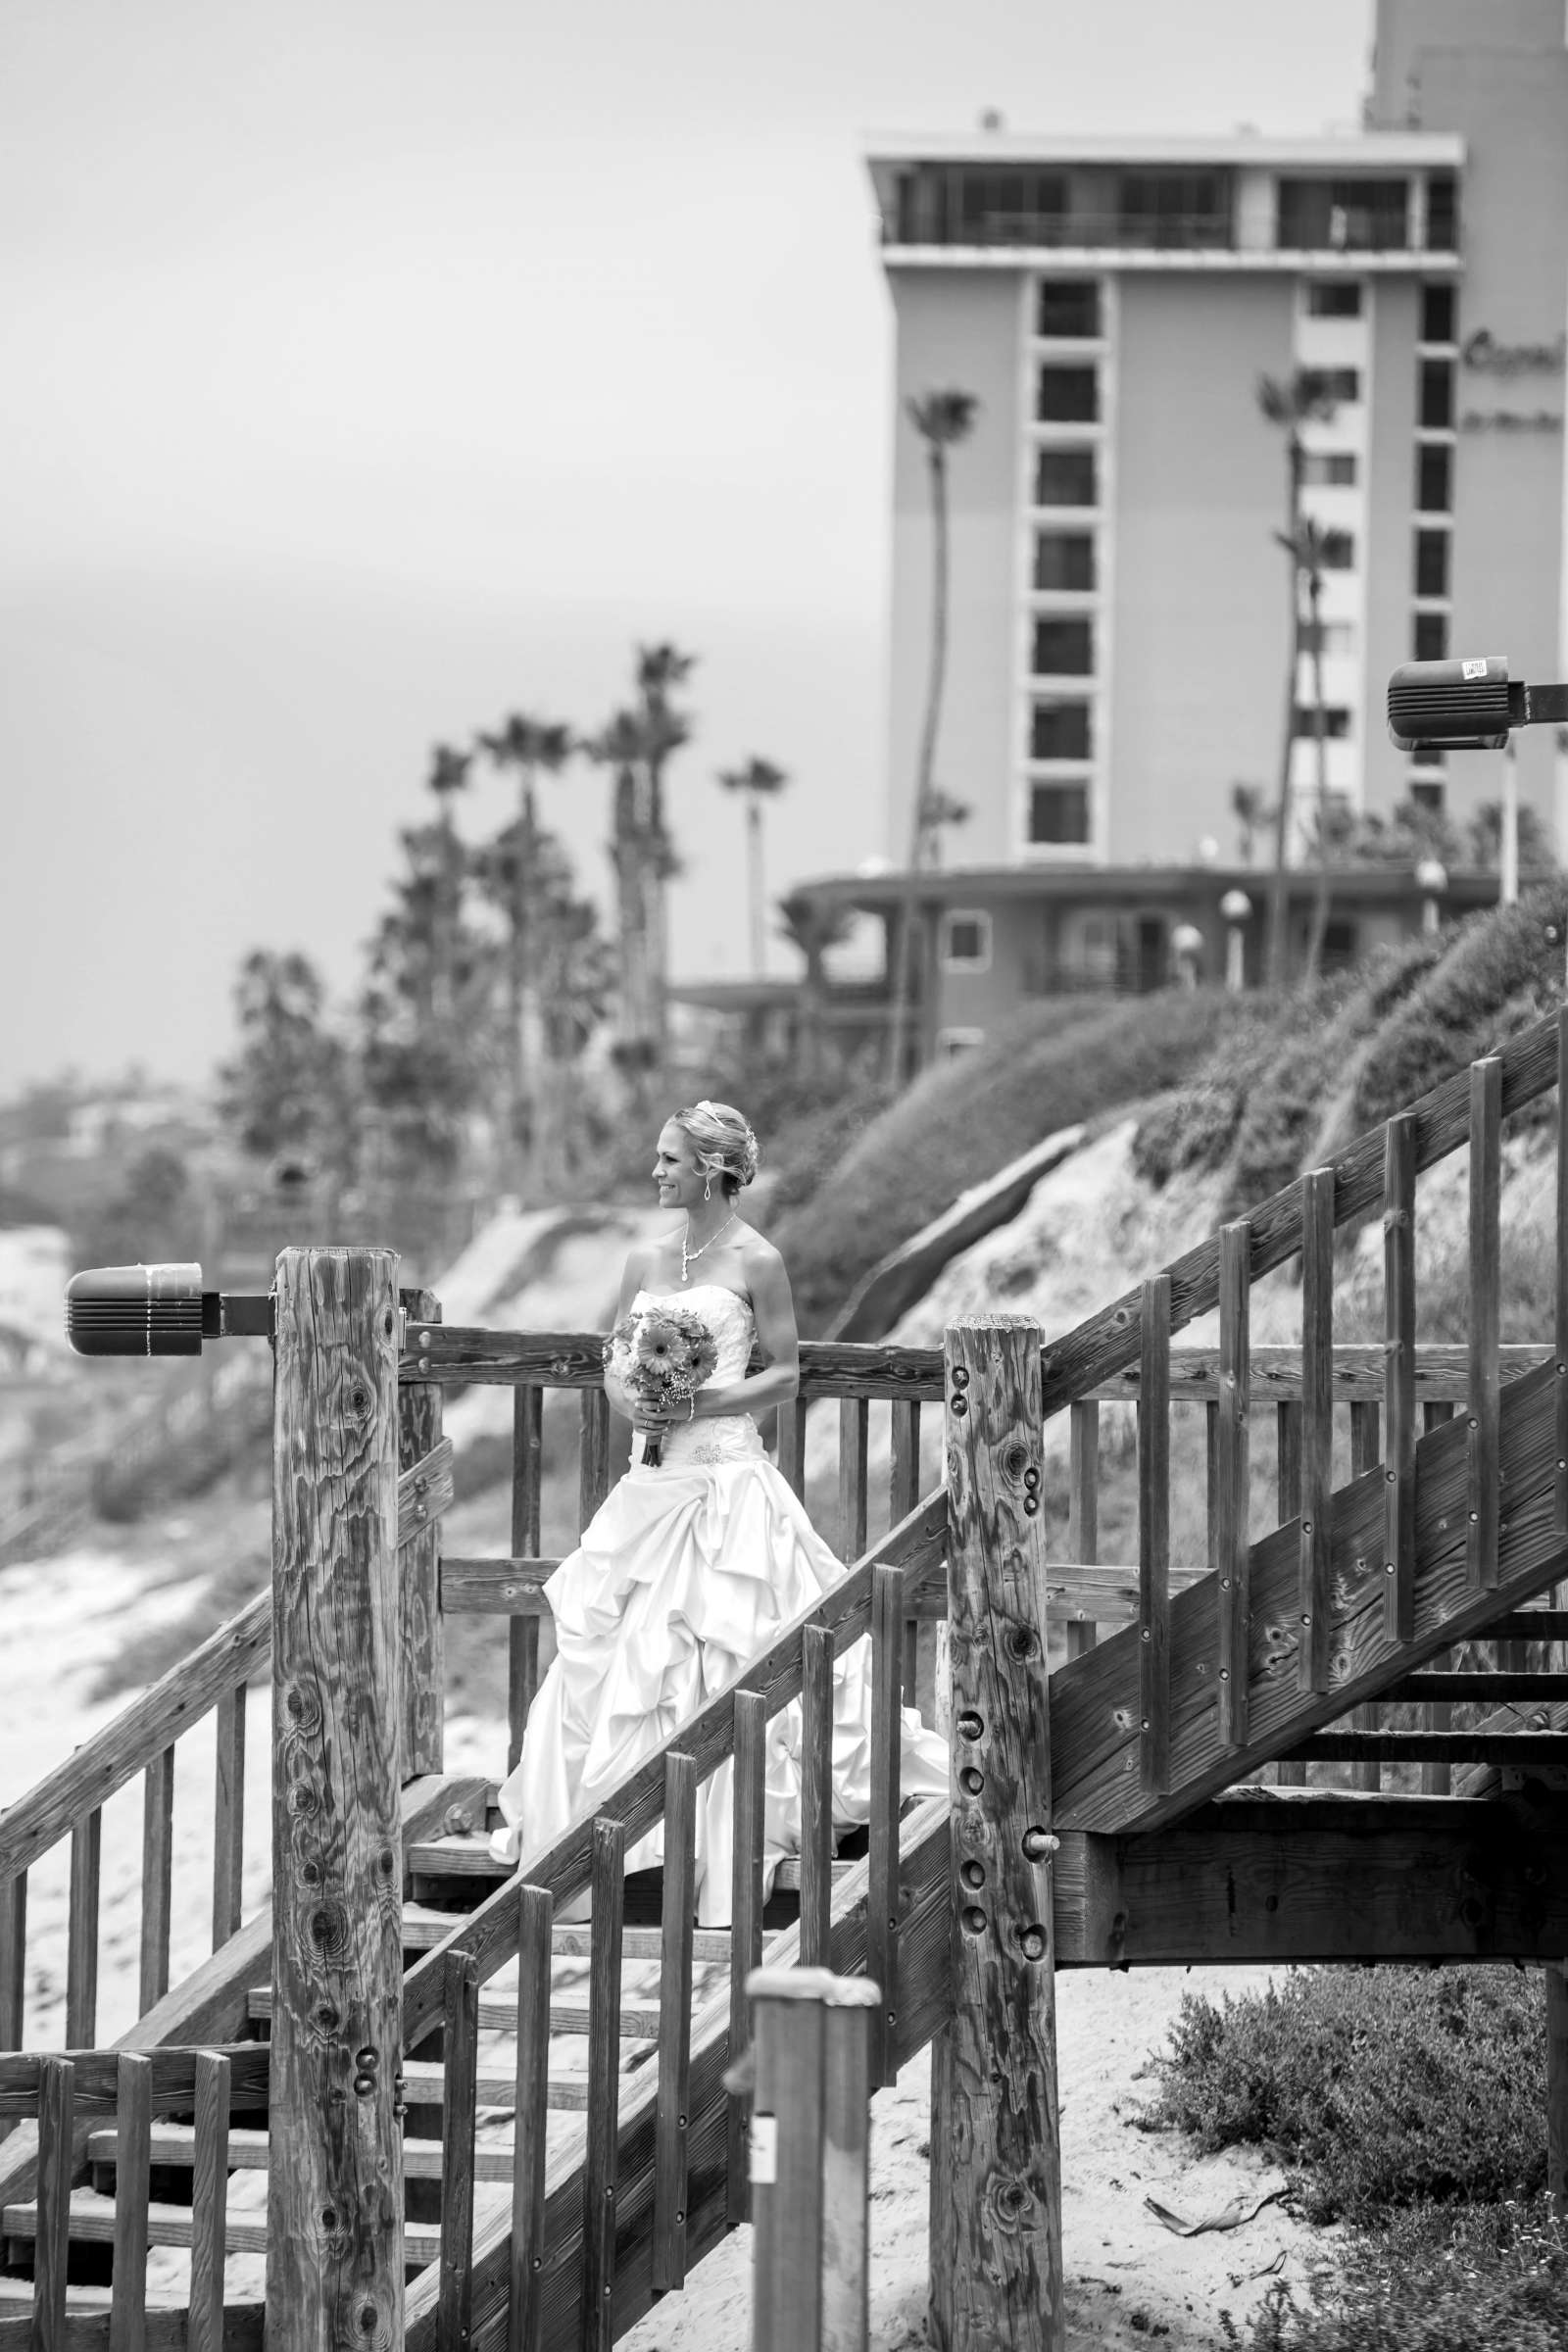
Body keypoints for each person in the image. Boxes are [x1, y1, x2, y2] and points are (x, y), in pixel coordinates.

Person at [489, 1098, 948, 1922]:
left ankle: (720, 1837)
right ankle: (608, 1838)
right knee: (616, 1649)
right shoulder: (643, 1257)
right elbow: (612, 1363)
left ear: (711, 1169)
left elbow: (787, 1375)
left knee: (727, 1644)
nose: (655, 1172)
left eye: (669, 1160)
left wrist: (700, 1401)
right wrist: (640, 1405)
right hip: (651, 1484)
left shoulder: (757, 1260)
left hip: (728, 1486)